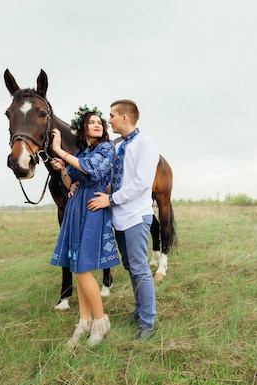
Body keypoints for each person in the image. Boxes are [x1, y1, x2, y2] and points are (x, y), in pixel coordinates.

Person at [88, 99, 160, 341]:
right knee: (131, 267)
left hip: (136, 216)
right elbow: (117, 178)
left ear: (125, 118)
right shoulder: (118, 146)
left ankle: (148, 323)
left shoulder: (146, 144)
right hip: (119, 217)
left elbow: (141, 183)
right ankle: (139, 312)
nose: (108, 120)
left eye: (111, 116)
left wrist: (111, 199)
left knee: (140, 269)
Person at [50, 105, 119, 348]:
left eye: (100, 121)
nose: (98, 124)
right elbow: (73, 179)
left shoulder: (106, 148)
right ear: (83, 129)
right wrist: (63, 173)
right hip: (76, 208)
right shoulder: (83, 151)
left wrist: (59, 149)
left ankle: (100, 321)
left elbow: (92, 169)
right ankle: (84, 321)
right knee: (79, 266)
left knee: (82, 269)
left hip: (92, 209)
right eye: (92, 122)